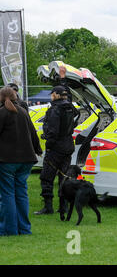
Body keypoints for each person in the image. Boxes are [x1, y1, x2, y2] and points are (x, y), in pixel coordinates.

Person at [0, 87, 42, 236]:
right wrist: (38, 150)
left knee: (7, 194)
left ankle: (8, 230)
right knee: (21, 193)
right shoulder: (24, 111)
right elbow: (33, 132)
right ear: (15, 96)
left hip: (7, 160)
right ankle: (24, 229)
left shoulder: (2, 113)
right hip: (27, 159)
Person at [34, 85, 77, 215]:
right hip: (68, 146)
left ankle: (48, 207)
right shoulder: (70, 107)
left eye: (52, 94)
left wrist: (48, 143)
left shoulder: (55, 109)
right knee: (64, 177)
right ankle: (63, 207)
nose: (51, 96)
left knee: (46, 177)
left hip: (56, 148)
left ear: (56, 95)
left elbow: (53, 131)